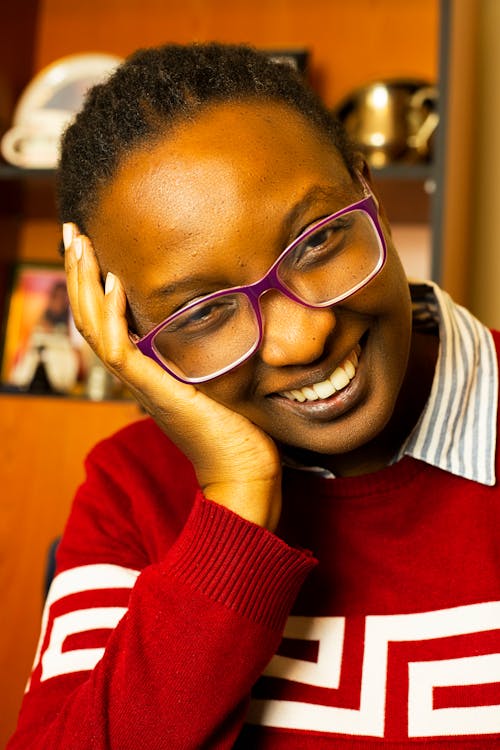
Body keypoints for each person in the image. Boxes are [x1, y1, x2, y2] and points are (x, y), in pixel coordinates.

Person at [7, 42, 500, 749]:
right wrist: (237, 500)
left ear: (368, 191)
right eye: (203, 312)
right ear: (126, 335)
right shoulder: (130, 488)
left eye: (319, 242)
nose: (300, 338)